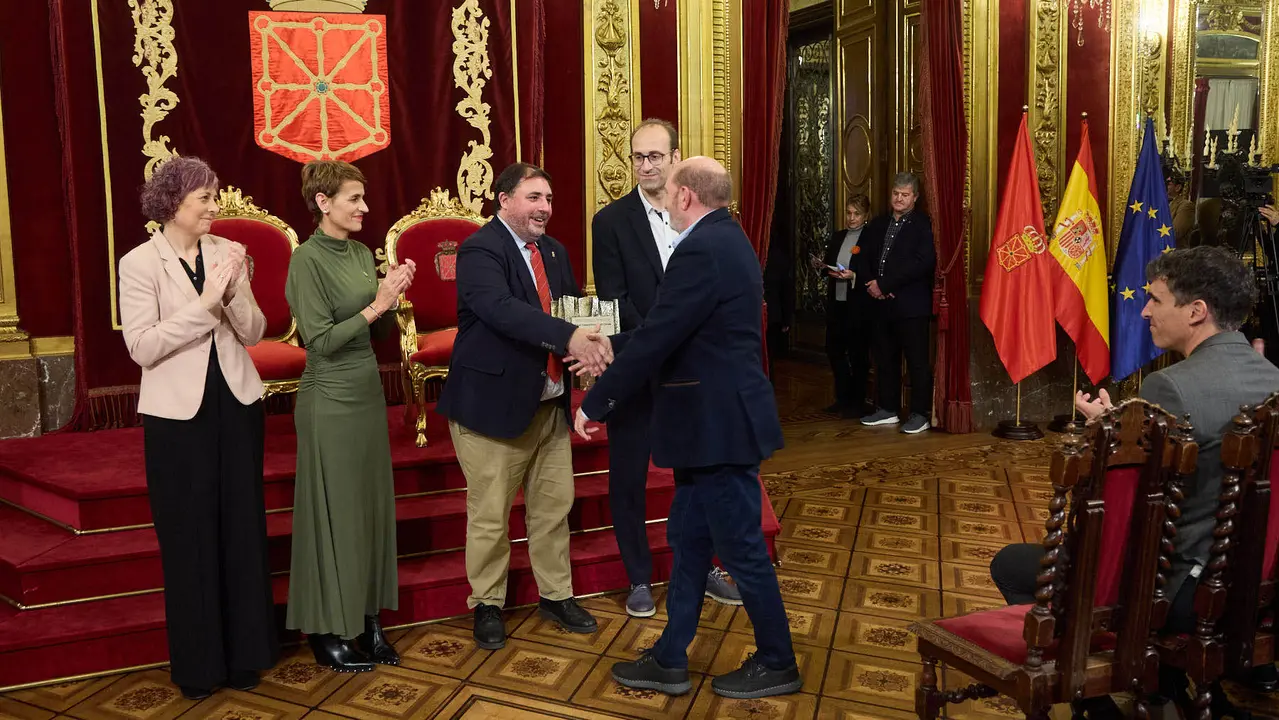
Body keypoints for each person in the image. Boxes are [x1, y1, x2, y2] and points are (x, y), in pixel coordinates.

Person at [990, 245, 1279, 703]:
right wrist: (1121, 429)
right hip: (1258, 583)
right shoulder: (1274, 380)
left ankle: (1100, 695)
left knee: (1011, 563)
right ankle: (1164, 683)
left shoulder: (1170, 387)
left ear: (1196, 311)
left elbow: (1135, 509)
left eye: (1156, 300)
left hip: (1186, 589)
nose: (1143, 311)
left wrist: (1103, 441)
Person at [574, 157, 801, 700]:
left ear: (684, 198)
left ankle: (777, 660)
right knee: (689, 541)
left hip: (718, 427)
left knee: (743, 548)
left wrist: (596, 402)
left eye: (667, 192)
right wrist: (609, 346)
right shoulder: (727, 239)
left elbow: (660, 336)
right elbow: (667, 330)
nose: (661, 202)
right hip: (710, 428)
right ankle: (671, 657)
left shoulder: (702, 248)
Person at [119, 157, 278, 699]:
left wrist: (232, 293)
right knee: (188, 536)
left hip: (237, 401)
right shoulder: (139, 264)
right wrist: (208, 303)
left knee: (241, 528)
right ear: (171, 205)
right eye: (203, 200)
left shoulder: (228, 254)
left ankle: (247, 656)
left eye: (214, 197)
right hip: (175, 416)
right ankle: (199, 666)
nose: (215, 208)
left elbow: (256, 331)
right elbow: (142, 346)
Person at [436, 162, 611, 650]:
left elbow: (571, 308)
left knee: (554, 508)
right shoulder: (478, 250)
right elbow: (501, 310)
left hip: (549, 406)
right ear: (504, 199)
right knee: (490, 515)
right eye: (534, 198)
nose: (545, 209)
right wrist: (569, 335)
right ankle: (487, 604)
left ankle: (556, 595)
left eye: (549, 199)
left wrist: (592, 345)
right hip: (492, 410)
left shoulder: (553, 251)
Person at [591, 118, 743, 617]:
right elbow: (615, 301)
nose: (646, 165)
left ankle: (704, 568)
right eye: (638, 157)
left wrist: (677, 343)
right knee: (628, 478)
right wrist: (654, 345)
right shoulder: (610, 222)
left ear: (676, 157)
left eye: (655, 156)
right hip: (637, 366)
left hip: (693, 372)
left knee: (695, 478)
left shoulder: (701, 214)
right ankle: (638, 576)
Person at [285, 160, 416, 673]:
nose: (364, 207)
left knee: (369, 511)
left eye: (364, 198)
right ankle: (328, 629)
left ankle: (367, 620)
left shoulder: (363, 253)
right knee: (333, 514)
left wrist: (394, 297)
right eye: (353, 199)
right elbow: (318, 341)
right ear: (323, 202)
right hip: (329, 401)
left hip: (365, 397)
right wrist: (377, 304)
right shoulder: (306, 261)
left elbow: (375, 335)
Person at [859, 173, 936, 435]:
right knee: (885, 358)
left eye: (905, 195)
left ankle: (919, 414)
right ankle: (888, 409)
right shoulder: (878, 224)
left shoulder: (923, 225)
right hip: (880, 304)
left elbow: (921, 263)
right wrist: (872, 283)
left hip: (911, 305)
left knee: (916, 361)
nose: (899, 199)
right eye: (896, 194)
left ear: (915, 197)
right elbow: (862, 255)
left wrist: (887, 285)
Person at [815, 194, 873, 418]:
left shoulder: (869, 239)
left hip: (858, 305)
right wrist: (821, 267)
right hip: (836, 303)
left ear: (865, 215)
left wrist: (853, 275)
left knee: (858, 354)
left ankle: (857, 402)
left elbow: (873, 270)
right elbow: (829, 263)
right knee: (834, 350)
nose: (851, 218)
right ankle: (842, 397)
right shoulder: (839, 236)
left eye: (856, 214)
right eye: (849, 213)